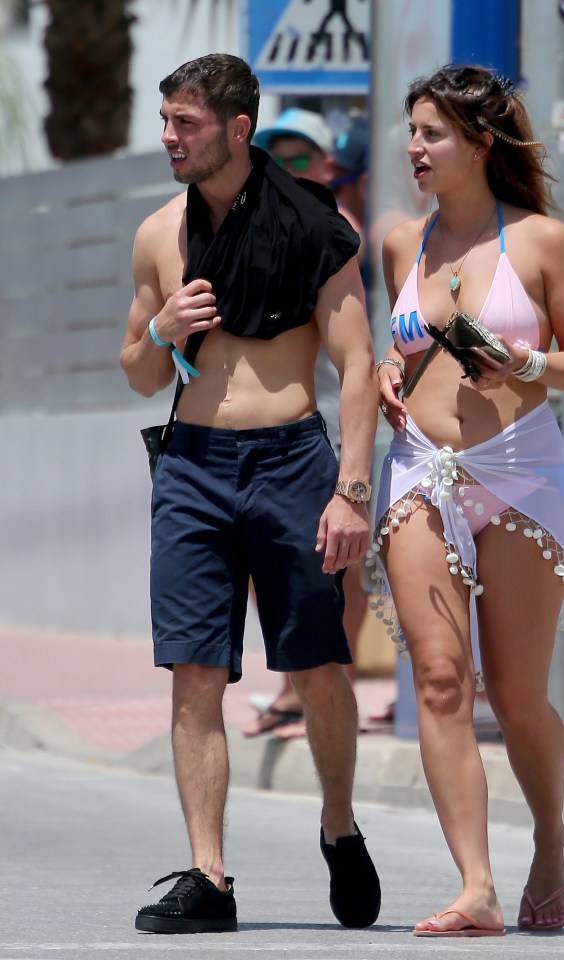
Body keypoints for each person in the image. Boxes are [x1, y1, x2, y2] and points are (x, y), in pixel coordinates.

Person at [119, 53, 380, 934]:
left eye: (184, 124)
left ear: (237, 129)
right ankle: (210, 876)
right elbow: (137, 372)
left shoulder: (316, 225)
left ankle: (339, 828)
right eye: (165, 121)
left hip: (291, 465)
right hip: (191, 465)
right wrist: (160, 329)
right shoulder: (161, 232)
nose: (168, 139)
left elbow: (357, 365)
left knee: (315, 668)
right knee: (195, 671)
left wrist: (350, 489)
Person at [372, 64, 564, 936]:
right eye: (412, 131)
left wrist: (529, 363)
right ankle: (477, 886)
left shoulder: (543, 241)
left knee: (515, 694)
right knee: (439, 679)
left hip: (518, 468)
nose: (414, 148)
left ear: (479, 143)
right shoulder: (403, 241)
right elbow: (386, 349)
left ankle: (548, 836)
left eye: (432, 133)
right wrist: (394, 371)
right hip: (419, 466)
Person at [242, 108, 371, 740]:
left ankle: (316, 685)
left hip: (345, 422)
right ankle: (303, 684)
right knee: (309, 562)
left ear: (328, 165)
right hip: (302, 423)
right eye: (277, 158)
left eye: (300, 159)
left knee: (342, 562)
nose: (284, 170)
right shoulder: (275, 222)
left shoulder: (339, 227)